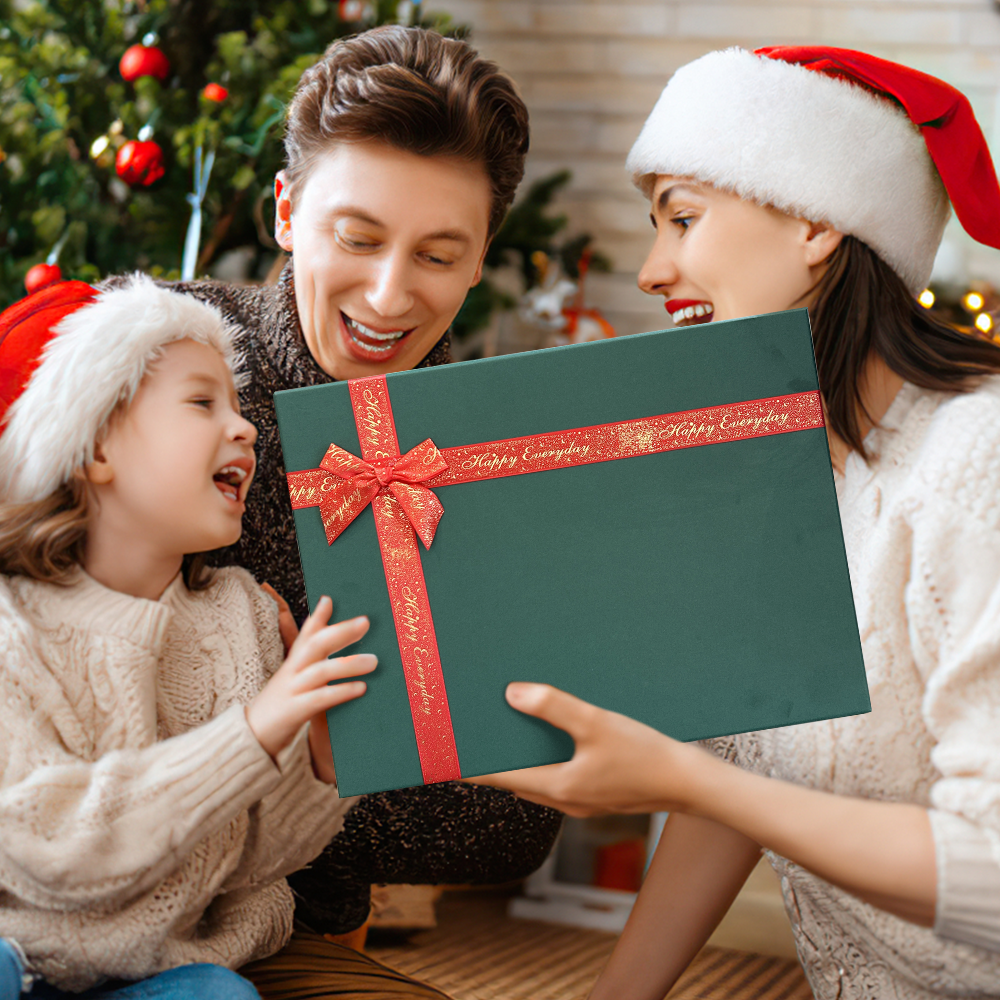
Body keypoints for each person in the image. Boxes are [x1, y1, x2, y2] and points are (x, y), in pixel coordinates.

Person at [472, 46, 1000, 1000]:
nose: (652, 268)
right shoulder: (768, 471)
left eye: (683, 217)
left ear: (813, 221)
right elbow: (740, 772)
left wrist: (679, 779)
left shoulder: (976, 462)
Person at [149, 24, 561, 940]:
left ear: (483, 256)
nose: (387, 296)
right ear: (289, 212)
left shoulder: (493, 461)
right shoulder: (156, 353)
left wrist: (294, 768)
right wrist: (331, 762)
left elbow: (512, 822)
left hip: (289, 937)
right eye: (358, 237)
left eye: (438, 255)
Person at [0, 276, 451, 1000]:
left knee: (220, 995)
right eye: (202, 403)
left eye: (238, 408)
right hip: (19, 952)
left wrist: (319, 767)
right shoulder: (13, 623)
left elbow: (248, 864)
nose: (244, 428)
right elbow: (50, 847)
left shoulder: (236, 616)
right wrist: (254, 731)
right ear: (94, 449)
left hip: (163, 973)